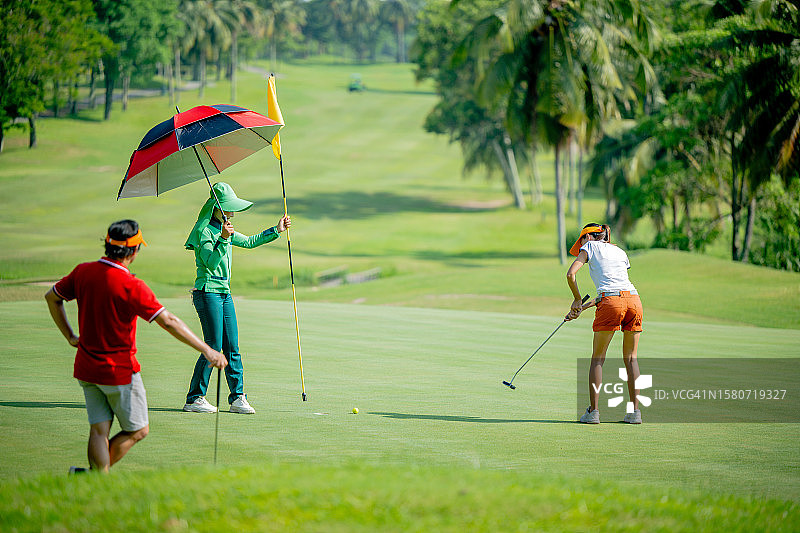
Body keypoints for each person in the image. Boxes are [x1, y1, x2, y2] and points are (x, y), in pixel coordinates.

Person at [45, 220, 228, 473]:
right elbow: (169, 321)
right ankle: (97, 478)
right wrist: (207, 350)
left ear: (108, 245)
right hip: (119, 372)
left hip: (86, 368)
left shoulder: (83, 272)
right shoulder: (131, 285)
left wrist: (69, 336)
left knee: (99, 429)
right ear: (133, 251)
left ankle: (92, 479)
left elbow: (52, 297)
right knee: (138, 429)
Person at [182, 182, 291, 415]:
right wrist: (222, 239)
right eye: (227, 209)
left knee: (232, 346)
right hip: (207, 291)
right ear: (215, 208)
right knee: (213, 345)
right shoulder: (204, 231)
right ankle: (195, 398)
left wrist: (277, 229)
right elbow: (210, 265)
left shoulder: (226, 229)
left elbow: (250, 242)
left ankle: (237, 398)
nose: (231, 214)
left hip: (224, 293)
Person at [565, 223, 644, 424]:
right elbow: (612, 291)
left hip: (612, 302)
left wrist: (576, 299)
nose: (581, 246)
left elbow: (570, 274)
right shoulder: (619, 251)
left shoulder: (590, 247)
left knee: (598, 359)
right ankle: (635, 413)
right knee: (632, 359)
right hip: (634, 301)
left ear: (588, 237)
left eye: (581, 241)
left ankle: (593, 412)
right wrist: (580, 308)